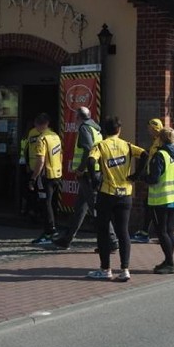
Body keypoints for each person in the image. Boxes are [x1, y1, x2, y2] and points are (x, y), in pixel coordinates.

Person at [86, 116, 147, 281]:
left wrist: (94, 179)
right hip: (125, 193)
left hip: (106, 193)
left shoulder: (100, 145)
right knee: (123, 232)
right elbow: (145, 154)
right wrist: (136, 175)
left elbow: (91, 160)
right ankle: (125, 269)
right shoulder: (126, 145)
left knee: (103, 231)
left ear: (104, 131)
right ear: (119, 130)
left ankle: (105, 269)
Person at [52, 107, 118, 252]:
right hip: (93, 173)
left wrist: (81, 168)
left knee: (97, 208)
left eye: (75, 117)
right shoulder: (96, 129)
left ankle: (112, 241)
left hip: (88, 174)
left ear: (78, 117)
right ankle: (66, 239)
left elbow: (88, 149)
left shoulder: (84, 129)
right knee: (80, 209)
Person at [146, 127, 174, 274]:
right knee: (169, 231)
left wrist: (143, 178)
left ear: (159, 139)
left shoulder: (160, 155)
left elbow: (154, 178)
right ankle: (168, 260)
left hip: (160, 198)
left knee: (161, 232)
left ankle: (170, 263)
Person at [29, 113, 64, 244]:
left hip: (45, 176)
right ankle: (53, 228)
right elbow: (60, 155)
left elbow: (40, 160)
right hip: (57, 174)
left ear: (38, 125)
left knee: (45, 203)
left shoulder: (41, 139)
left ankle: (49, 231)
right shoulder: (55, 136)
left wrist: (33, 177)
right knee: (52, 203)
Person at [131, 118, 164, 244]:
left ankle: (158, 234)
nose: (148, 131)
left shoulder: (160, 142)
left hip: (158, 181)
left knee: (152, 207)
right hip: (153, 180)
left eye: (150, 128)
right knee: (149, 205)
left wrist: (150, 176)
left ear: (154, 128)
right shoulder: (156, 141)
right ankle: (148, 232)